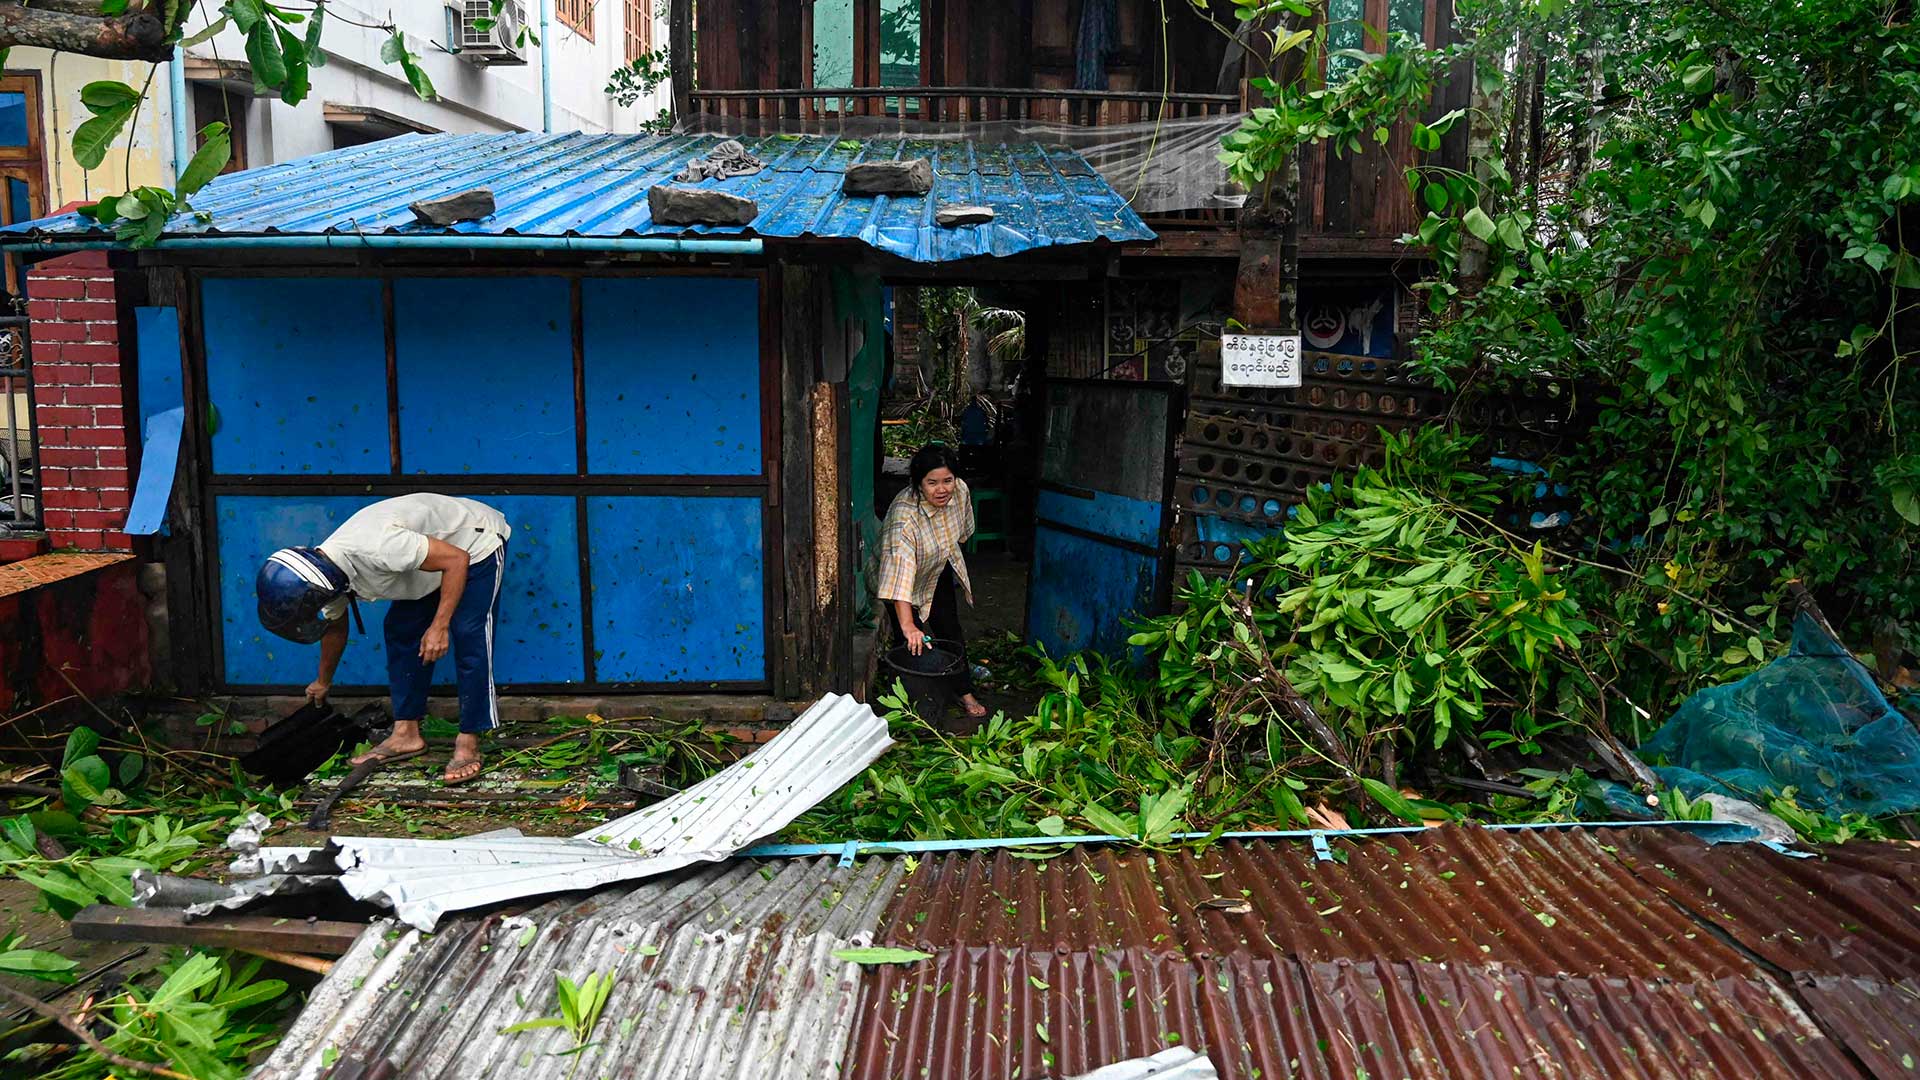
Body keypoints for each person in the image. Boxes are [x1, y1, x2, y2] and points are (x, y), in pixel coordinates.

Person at [254, 493, 510, 785]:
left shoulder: (379, 547)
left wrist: (439, 626)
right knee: (401, 629)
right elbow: (335, 627)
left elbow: (456, 559)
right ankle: (406, 734)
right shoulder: (327, 578)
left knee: (468, 632)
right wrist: (323, 681)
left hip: (475, 544)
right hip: (431, 563)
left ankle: (469, 741)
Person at [877, 444, 988, 722]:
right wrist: (909, 625)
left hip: (936, 568)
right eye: (932, 483)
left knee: (949, 628)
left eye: (947, 480)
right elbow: (898, 574)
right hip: (903, 579)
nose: (942, 489)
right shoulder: (904, 519)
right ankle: (918, 703)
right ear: (917, 484)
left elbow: (962, 532)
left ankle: (964, 691)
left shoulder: (960, 490)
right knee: (912, 643)